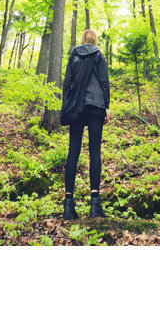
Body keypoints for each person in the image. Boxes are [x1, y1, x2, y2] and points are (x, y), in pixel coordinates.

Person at [59, 28, 110, 218]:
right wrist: (106, 105)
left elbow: (67, 82)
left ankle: (68, 205)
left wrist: (67, 105)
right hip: (96, 106)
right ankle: (95, 205)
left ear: (82, 39)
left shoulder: (74, 55)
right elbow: (104, 82)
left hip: (77, 107)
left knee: (73, 151)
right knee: (95, 151)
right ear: (95, 40)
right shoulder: (99, 55)